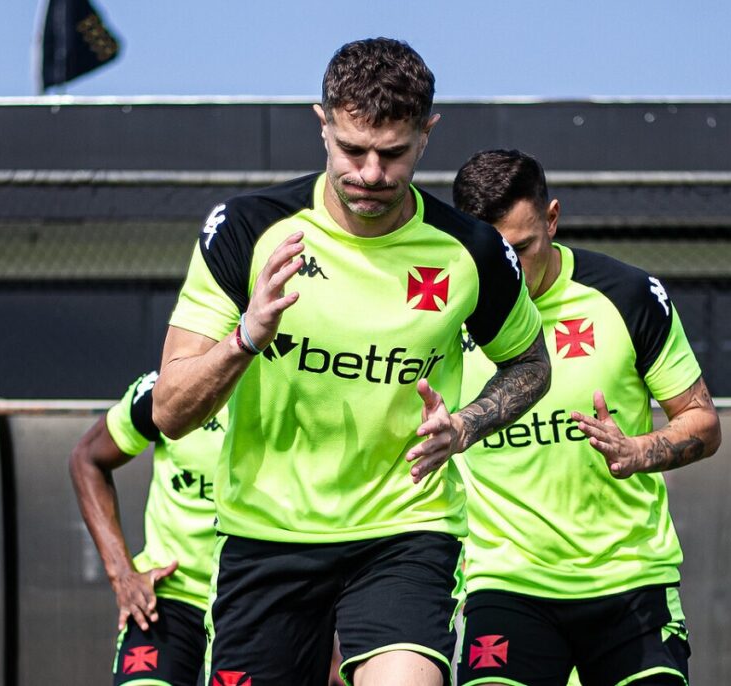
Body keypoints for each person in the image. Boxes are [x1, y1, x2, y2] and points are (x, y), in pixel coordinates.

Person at [151, 39, 550, 686]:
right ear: (322, 125)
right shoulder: (249, 231)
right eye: (351, 149)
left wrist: (468, 425)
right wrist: (245, 339)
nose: (370, 173)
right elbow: (169, 412)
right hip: (268, 532)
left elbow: (531, 364)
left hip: (405, 529)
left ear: (427, 135)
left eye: (392, 153)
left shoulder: (470, 252)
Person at [452, 149, 722, 686]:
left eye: (523, 248)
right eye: (493, 253)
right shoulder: (440, 307)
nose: (509, 269)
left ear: (552, 219)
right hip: (505, 582)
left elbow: (702, 422)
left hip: (629, 580)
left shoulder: (626, 295)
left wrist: (638, 451)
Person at [69, 370, 228, 686]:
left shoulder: (291, 388)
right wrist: (122, 575)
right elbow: (87, 459)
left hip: (251, 599)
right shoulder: (168, 390)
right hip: (167, 600)